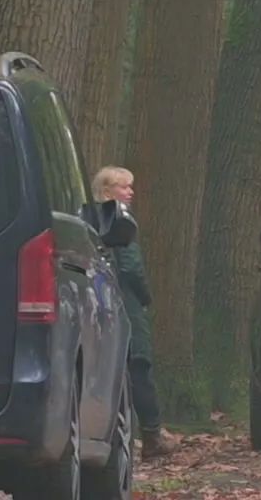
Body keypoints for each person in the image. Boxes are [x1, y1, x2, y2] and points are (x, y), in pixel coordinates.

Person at [91, 168, 177, 457]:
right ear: (107, 190)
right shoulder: (119, 220)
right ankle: (153, 433)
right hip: (125, 301)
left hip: (100, 302)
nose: (131, 192)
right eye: (124, 187)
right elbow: (130, 265)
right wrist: (144, 295)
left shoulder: (89, 219)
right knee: (139, 363)